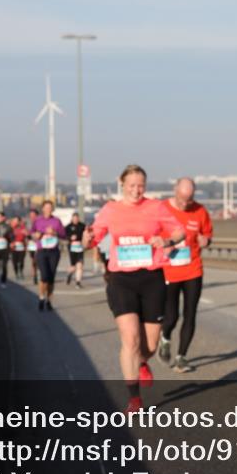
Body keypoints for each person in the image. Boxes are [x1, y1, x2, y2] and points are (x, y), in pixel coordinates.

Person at [83, 164, 184, 413]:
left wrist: (168, 240)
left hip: (151, 278)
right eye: (132, 185)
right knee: (130, 339)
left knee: (148, 346)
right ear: (122, 184)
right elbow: (92, 238)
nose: (136, 190)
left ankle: (142, 362)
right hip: (121, 279)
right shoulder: (111, 210)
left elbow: (179, 231)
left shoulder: (155, 207)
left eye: (141, 185)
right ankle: (134, 398)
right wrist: (86, 239)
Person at [158, 177, 214, 373]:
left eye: (189, 199)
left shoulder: (200, 211)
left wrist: (206, 241)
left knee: (190, 313)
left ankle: (181, 357)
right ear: (175, 191)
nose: (185, 203)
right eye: (182, 198)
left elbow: (208, 236)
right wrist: (161, 246)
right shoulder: (162, 209)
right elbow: (150, 236)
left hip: (193, 269)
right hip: (168, 270)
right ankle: (165, 338)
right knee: (171, 316)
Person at [31, 200, 66, 310]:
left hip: (54, 251)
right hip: (42, 251)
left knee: (51, 278)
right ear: (42, 209)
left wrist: (55, 233)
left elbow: (64, 235)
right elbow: (32, 233)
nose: (48, 209)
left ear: (52, 209)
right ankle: (41, 297)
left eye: (50, 207)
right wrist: (36, 235)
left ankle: (49, 300)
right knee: (44, 276)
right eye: (46, 207)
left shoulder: (57, 221)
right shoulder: (38, 220)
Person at [64, 212, 87, 288]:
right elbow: (64, 235)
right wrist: (70, 238)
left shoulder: (82, 226)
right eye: (74, 218)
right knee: (73, 266)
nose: (75, 220)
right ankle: (69, 275)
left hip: (80, 248)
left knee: (80, 265)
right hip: (72, 248)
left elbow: (86, 234)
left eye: (77, 218)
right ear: (72, 218)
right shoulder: (68, 227)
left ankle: (78, 282)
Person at [26, 208, 40, 284]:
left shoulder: (40, 222)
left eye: (33, 215)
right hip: (31, 245)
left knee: (37, 259)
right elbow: (27, 234)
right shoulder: (28, 223)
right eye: (31, 215)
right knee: (33, 261)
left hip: (39, 243)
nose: (32, 217)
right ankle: (34, 275)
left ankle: (38, 274)